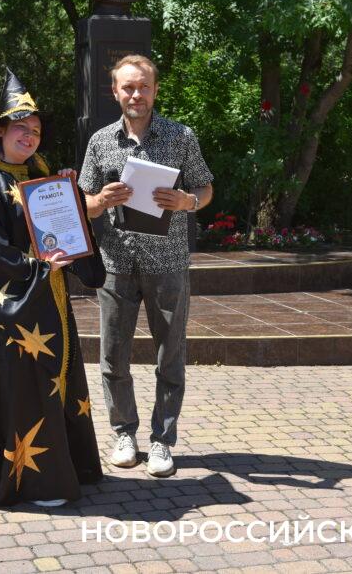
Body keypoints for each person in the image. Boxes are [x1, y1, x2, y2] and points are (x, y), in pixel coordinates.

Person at [0, 68, 105, 507]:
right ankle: (38, 484)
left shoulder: (43, 179)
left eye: (35, 130)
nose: (29, 136)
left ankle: (68, 468)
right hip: (13, 312)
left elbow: (65, 233)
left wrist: (70, 197)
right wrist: (38, 267)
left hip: (49, 301)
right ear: (0, 132)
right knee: (29, 389)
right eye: (21, 127)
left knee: (57, 380)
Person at [78, 55, 213, 477]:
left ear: (154, 90)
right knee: (113, 357)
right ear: (115, 91)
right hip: (115, 263)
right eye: (128, 87)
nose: (136, 94)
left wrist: (188, 202)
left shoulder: (180, 136)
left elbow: (205, 187)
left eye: (143, 87)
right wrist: (100, 201)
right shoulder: (100, 141)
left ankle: (162, 441)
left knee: (170, 356)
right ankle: (124, 434)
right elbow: (83, 203)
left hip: (167, 263)